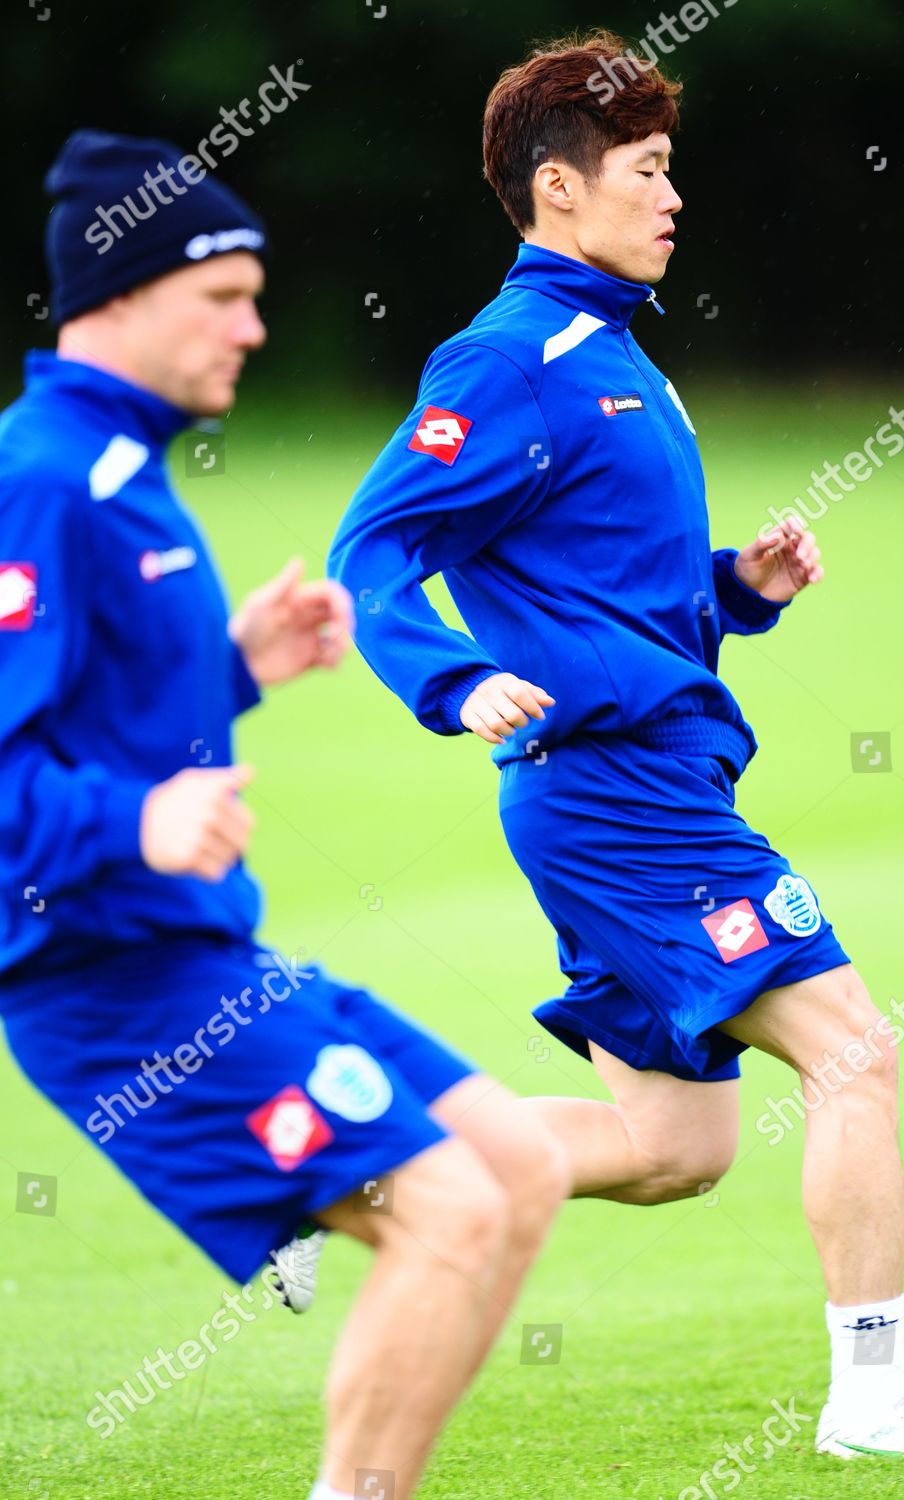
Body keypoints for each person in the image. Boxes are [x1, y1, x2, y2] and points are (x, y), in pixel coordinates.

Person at [327, 31, 904, 1461]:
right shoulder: (510, 359)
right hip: (615, 792)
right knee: (853, 1053)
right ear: (557, 190)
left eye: (672, 170)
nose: (672, 200)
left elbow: (605, 591)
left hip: (645, 770)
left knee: (673, 1154)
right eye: (646, 173)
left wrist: (735, 590)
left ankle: (323, 1161)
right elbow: (370, 555)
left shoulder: (613, 356)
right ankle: (871, 1400)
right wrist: (453, 681)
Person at [0, 129, 567, 1500]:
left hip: (205, 956)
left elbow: (101, 720)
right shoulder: (42, 479)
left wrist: (237, 669)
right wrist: (134, 831)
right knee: (445, 1214)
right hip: (109, 984)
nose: (255, 328)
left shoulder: (125, 466)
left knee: (519, 1170)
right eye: (224, 297)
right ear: (119, 292)